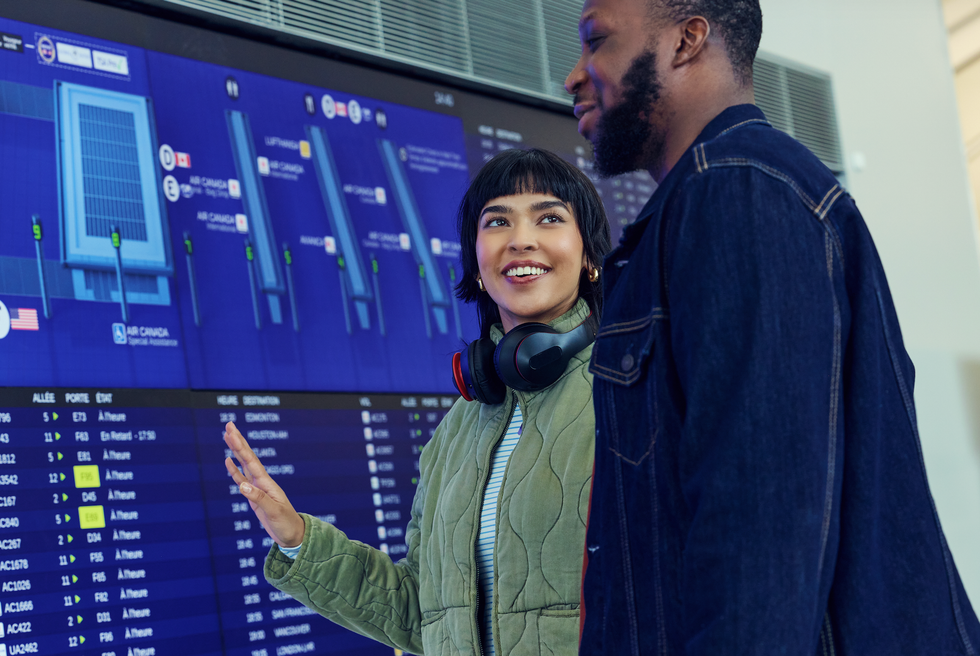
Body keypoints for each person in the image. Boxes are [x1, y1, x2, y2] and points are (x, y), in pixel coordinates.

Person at [564, 0, 980, 654]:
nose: (575, 75)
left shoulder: (737, 190)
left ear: (687, 40)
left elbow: (760, 531)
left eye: (597, 41)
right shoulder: (709, 203)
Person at [223, 147, 612, 656]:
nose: (521, 240)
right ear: (476, 265)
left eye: (549, 217)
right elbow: (422, 614)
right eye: (497, 221)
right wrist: (298, 539)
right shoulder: (456, 431)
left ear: (589, 258)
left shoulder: (630, 391)